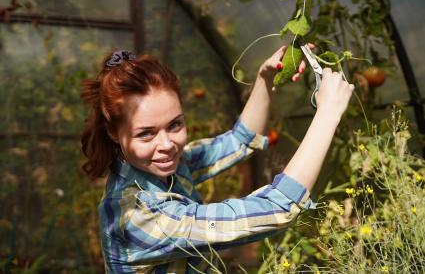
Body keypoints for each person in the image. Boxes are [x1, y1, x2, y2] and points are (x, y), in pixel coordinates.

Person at [80, 47, 354, 273]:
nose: (166, 145)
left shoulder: (159, 167)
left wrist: (265, 78)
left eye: (175, 125)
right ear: (114, 133)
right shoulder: (136, 214)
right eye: (145, 134)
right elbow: (278, 207)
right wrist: (328, 112)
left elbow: (240, 140)